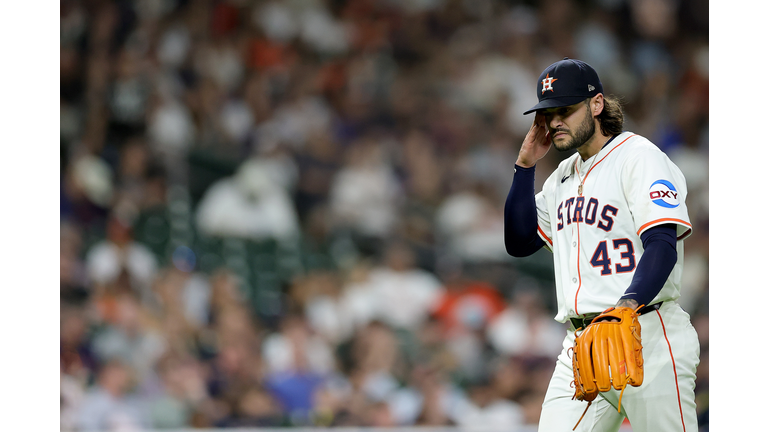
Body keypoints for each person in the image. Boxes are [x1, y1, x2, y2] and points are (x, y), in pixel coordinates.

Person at [503, 58, 699, 431]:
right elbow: (519, 240)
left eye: (565, 110)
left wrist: (627, 304)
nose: (554, 121)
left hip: (649, 334)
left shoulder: (638, 157)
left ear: (596, 105)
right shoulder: (561, 177)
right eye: (548, 113)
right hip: (582, 347)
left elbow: (661, 242)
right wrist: (525, 166)